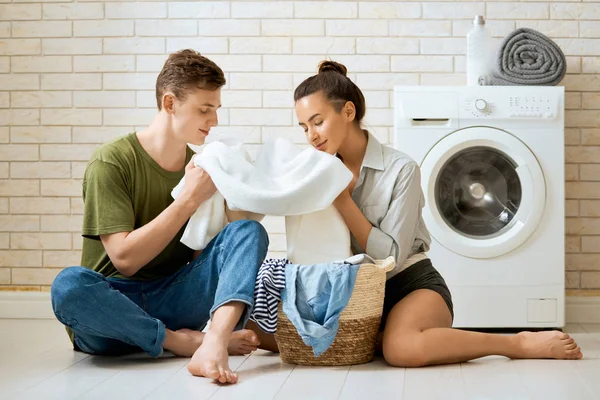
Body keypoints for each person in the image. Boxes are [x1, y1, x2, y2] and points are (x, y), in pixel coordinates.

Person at [246, 60, 583, 366]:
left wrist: (342, 201)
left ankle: (516, 345)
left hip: (408, 285)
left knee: (402, 350)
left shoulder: (401, 169)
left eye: (317, 121)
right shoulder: (313, 170)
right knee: (255, 327)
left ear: (348, 112)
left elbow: (390, 256)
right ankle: (374, 336)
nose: (311, 136)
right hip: (348, 291)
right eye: (304, 127)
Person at [50, 49, 269, 384]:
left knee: (247, 231)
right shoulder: (111, 161)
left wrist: (236, 189)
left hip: (172, 296)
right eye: (204, 110)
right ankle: (180, 342)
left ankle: (214, 340)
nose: (214, 121)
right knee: (67, 285)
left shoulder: (205, 165)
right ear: (170, 104)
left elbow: (203, 254)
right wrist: (188, 198)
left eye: (216, 110)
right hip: (111, 312)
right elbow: (124, 260)